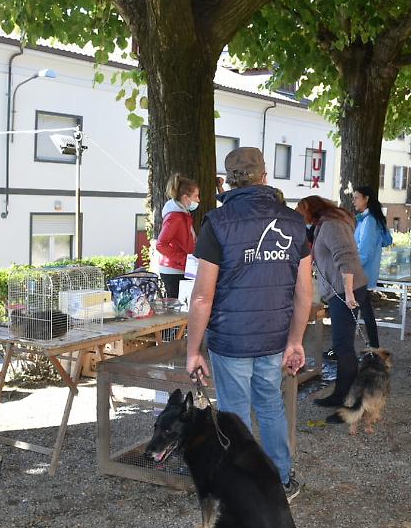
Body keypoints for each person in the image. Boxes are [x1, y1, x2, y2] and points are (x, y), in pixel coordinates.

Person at [186, 147, 312, 501]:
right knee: (270, 404)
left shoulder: (217, 223)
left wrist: (193, 350)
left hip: (231, 340)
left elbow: (201, 298)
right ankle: (281, 482)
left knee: (234, 413)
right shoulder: (294, 221)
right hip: (274, 337)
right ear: (264, 176)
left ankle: (240, 488)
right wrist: (295, 341)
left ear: (227, 181)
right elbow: (305, 293)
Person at [295, 195, 369, 409]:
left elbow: (345, 257)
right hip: (343, 290)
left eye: (301, 212)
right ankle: (347, 394)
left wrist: (347, 293)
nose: (301, 217)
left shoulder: (332, 225)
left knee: (342, 346)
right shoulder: (324, 224)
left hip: (347, 291)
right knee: (342, 345)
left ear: (311, 209)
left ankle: (344, 397)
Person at [352, 186, 392, 349]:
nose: (353, 200)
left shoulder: (369, 221)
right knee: (363, 311)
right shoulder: (370, 219)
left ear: (366, 198)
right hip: (364, 272)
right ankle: (374, 347)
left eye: (356, 197)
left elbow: (364, 252)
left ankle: (373, 347)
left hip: (360, 273)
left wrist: (350, 270)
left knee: (358, 311)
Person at [155, 173, 199, 298]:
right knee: (178, 309)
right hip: (174, 270)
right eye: (196, 196)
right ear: (186, 198)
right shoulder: (175, 217)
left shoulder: (183, 215)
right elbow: (160, 245)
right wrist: (184, 260)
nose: (198, 200)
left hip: (180, 267)